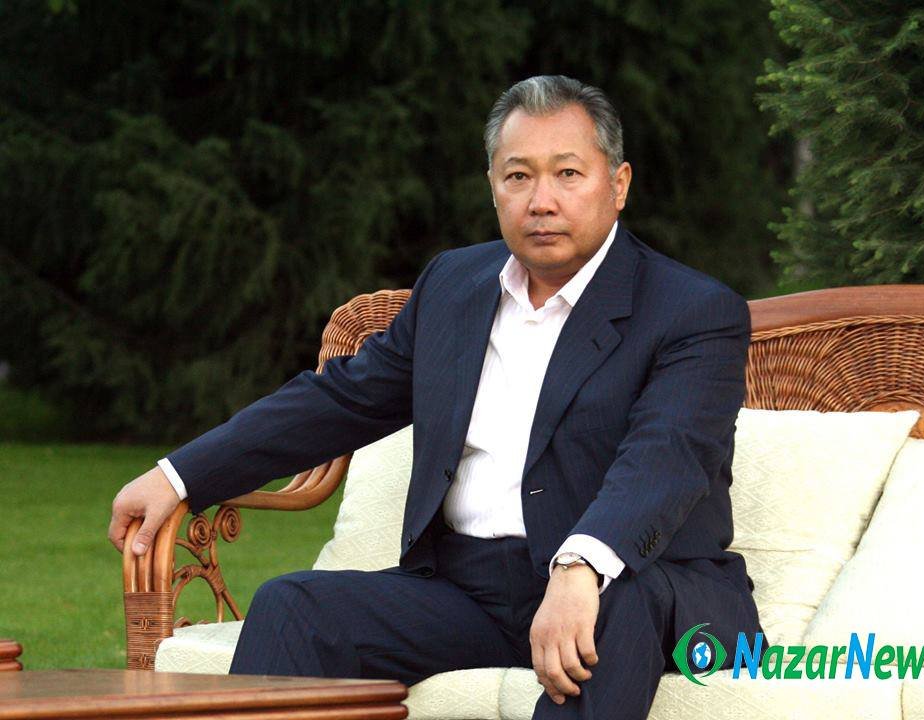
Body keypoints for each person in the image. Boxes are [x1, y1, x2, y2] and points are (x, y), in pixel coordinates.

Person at [109, 75, 763, 719]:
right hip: (470, 591)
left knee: (608, 605)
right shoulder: (454, 285)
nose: (541, 200)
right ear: (493, 186)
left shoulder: (691, 310)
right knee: (294, 608)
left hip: (636, 586)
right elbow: (342, 401)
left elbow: (664, 456)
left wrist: (579, 567)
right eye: (518, 176)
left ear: (618, 185)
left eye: (568, 174)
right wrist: (180, 474)